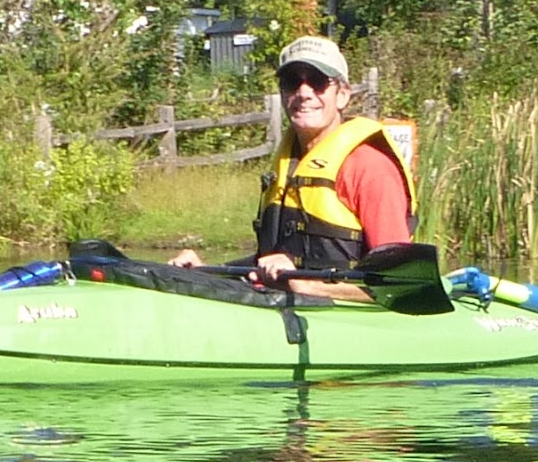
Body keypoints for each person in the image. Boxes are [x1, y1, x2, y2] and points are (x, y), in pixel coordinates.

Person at [170, 35, 415, 302]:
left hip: (348, 322)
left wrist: (308, 286)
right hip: (288, 310)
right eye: (291, 82)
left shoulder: (369, 168)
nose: (304, 92)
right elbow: (271, 260)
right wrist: (205, 272)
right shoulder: (289, 166)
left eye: (318, 82)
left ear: (342, 95)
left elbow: (400, 284)